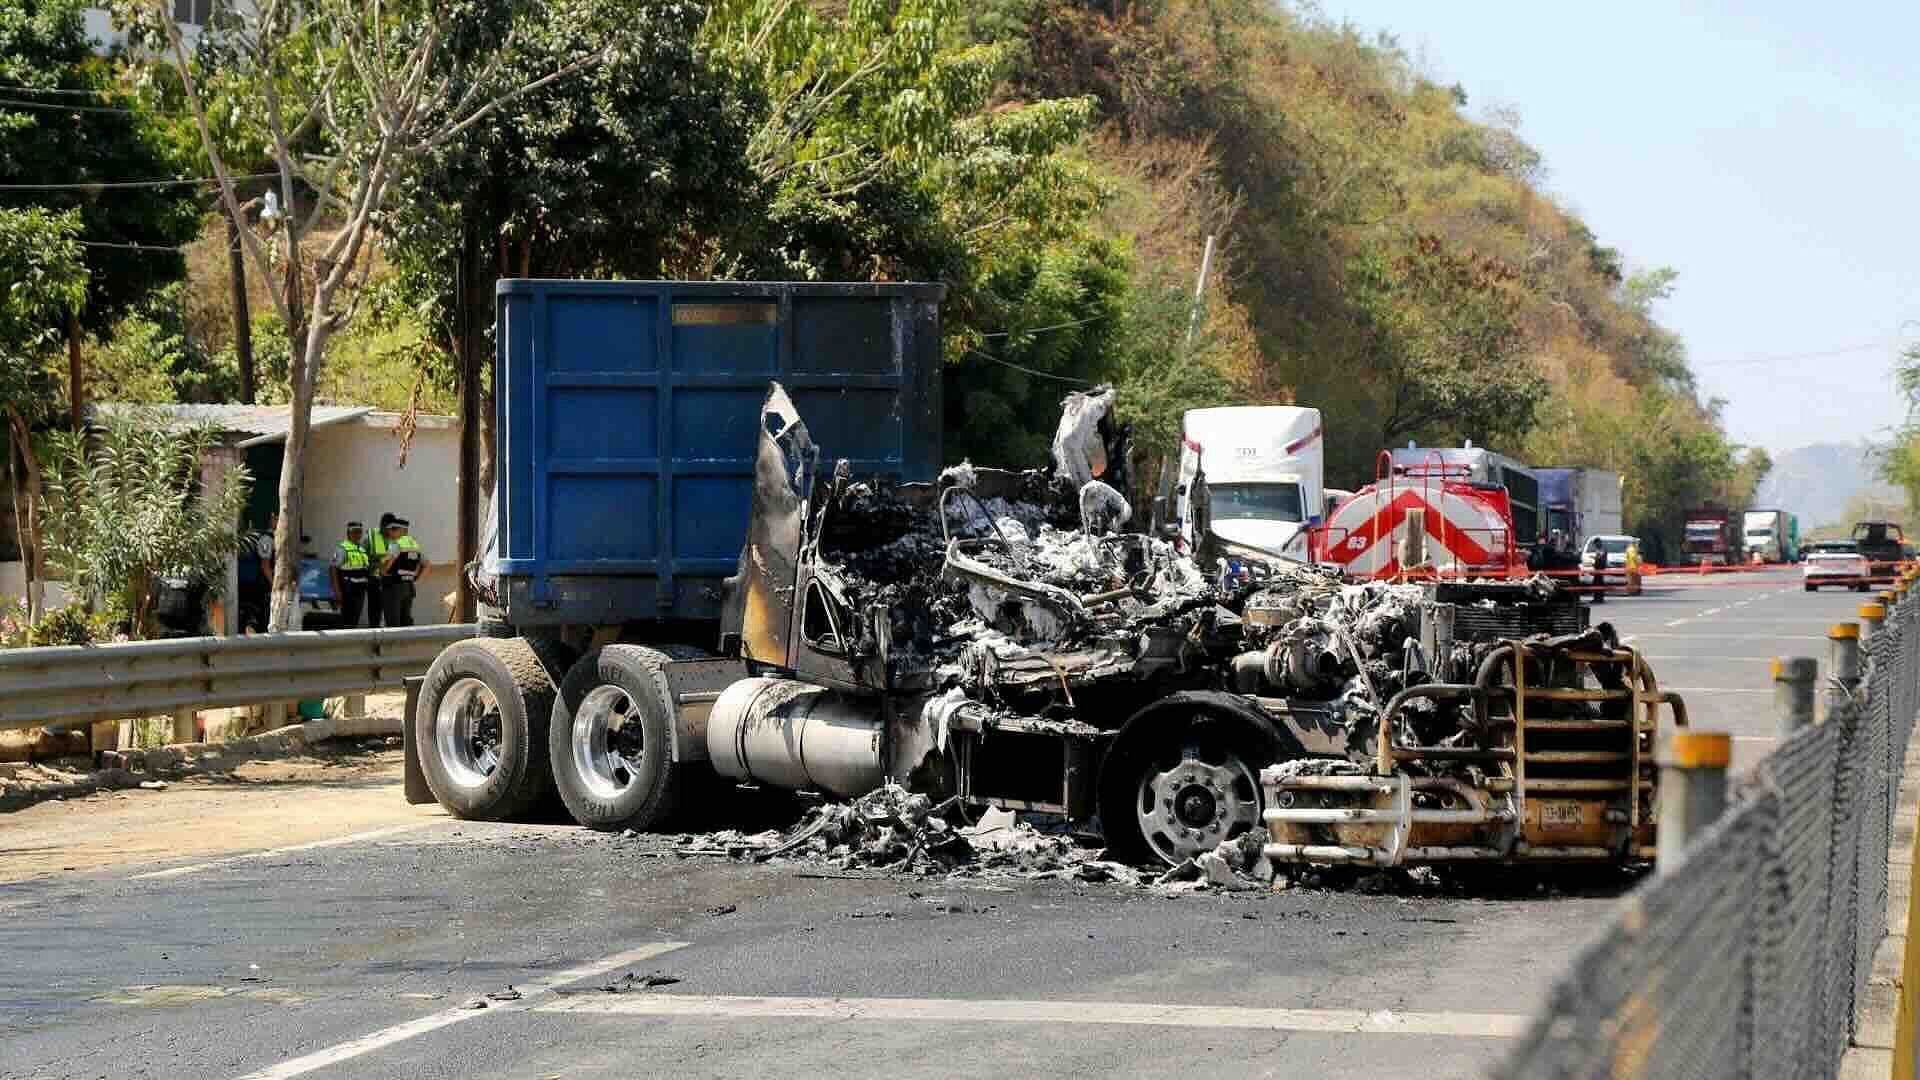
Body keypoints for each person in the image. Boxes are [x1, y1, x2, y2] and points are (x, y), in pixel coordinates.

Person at [379, 517, 427, 627]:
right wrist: (416, 579)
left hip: (394, 587)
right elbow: (427, 565)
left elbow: (387, 566)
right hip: (409, 587)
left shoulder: (397, 544)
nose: (391, 532)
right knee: (405, 620)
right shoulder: (414, 545)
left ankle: (392, 644)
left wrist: (381, 569)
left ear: (402, 530)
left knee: (393, 622)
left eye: (394, 529)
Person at [330, 521, 372, 627]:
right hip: (348, 590)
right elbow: (333, 568)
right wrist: (337, 591)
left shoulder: (362, 549)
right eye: (355, 532)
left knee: (354, 620)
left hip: (360, 590)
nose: (358, 534)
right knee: (346, 621)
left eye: (360, 532)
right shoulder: (342, 548)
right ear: (349, 533)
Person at [366, 511, 396, 628]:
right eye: (389, 528)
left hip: (391, 583)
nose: (391, 531)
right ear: (382, 526)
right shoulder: (371, 537)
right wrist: (378, 564)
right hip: (375, 582)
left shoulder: (396, 538)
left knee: (392, 617)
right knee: (375, 616)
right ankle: (375, 644)